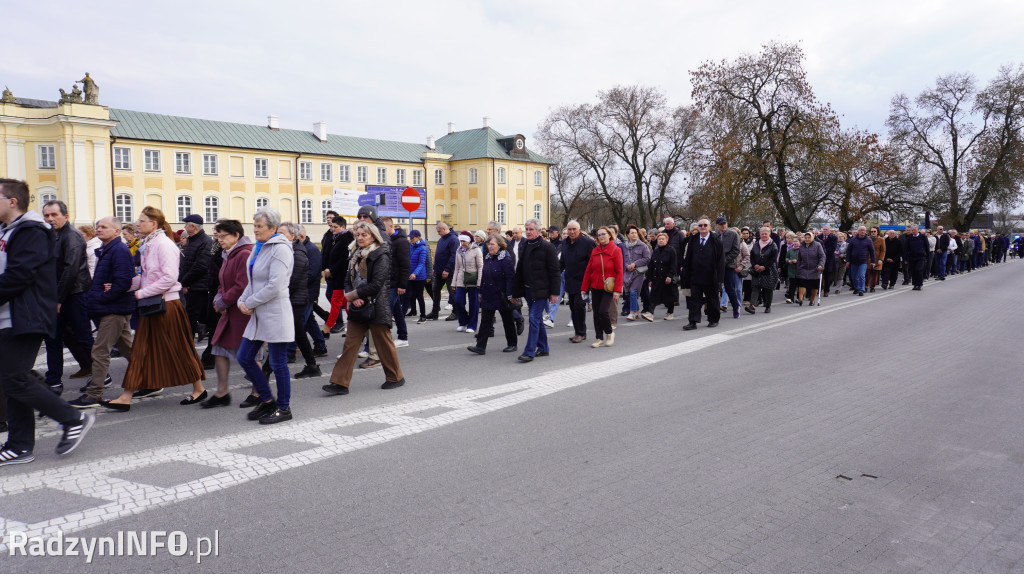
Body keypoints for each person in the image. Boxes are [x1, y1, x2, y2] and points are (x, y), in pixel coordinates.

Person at [0, 179, 95, 466]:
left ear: (12, 201)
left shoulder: (31, 231)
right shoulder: (8, 231)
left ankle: (73, 418)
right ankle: (19, 445)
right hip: (10, 316)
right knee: (12, 379)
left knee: (13, 378)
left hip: (24, 316)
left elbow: (19, 276)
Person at [100, 206, 207, 411]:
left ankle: (199, 389)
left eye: (141, 221)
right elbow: (146, 276)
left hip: (167, 305)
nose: (137, 224)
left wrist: (140, 294)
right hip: (154, 304)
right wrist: (123, 287)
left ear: (154, 224)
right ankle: (126, 396)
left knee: (180, 349)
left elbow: (169, 278)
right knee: (141, 350)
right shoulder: (149, 244)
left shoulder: (164, 244)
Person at [322, 221, 406, 395]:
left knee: (384, 345)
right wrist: (352, 295)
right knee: (349, 345)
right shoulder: (355, 254)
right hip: (358, 307)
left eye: (364, 235)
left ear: (373, 236)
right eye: (357, 234)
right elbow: (347, 280)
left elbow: (376, 284)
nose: (359, 238)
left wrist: (354, 296)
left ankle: (395, 377)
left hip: (376, 306)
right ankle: (340, 383)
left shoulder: (381, 254)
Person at [230, 208, 295, 424]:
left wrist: (249, 302)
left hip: (275, 313)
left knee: (278, 363)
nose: (255, 230)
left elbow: (275, 285)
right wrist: (241, 301)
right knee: (244, 357)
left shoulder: (281, 249)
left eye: (259, 226)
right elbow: (252, 280)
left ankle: (284, 408)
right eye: (254, 225)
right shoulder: (258, 248)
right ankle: (267, 401)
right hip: (259, 314)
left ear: (273, 228)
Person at [69, 217, 135, 408]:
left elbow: (123, 282)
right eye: (98, 226)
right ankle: (151, 380)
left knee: (100, 351)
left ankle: (93, 394)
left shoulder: (119, 250)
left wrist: (101, 297)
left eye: (104, 227)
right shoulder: (109, 248)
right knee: (128, 350)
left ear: (116, 231)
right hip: (112, 306)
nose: (99, 229)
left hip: (114, 308)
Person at [42, 200, 94, 393]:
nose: (50, 219)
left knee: (83, 337)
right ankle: (54, 380)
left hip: (74, 294)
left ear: (65, 215)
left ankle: (100, 375)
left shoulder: (71, 236)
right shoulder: (53, 234)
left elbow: (70, 270)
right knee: (53, 338)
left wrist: (58, 299)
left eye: (54, 215)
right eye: (46, 215)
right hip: (60, 294)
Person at [201, 219, 254, 408]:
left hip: (242, 311)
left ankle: (257, 393)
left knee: (250, 353)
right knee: (218, 348)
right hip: (228, 310)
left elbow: (242, 285)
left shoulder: (244, 253)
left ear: (236, 236)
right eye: (217, 235)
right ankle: (222, 393)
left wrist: (223, 301)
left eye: (223, 236)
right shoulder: (228, 253)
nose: (219, 239)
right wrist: (218, 297)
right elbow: (222, 282)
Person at [511, 219, 561, 362]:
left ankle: (529, 351)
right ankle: (544, 348)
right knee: (537, 319)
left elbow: (555, 271)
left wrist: (555, 293)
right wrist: (516, 292)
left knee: (533, 318)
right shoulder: (525, 244)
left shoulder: (547, 247)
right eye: (526, 229)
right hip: (528, 290)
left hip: (541, 290)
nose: (528, 231)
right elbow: (520, 270)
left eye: (531, 229)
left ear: (539, 231)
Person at [277, 222, 321, 379]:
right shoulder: (288, 250)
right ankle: (312, 365)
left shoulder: (297, 253)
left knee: (288, 331)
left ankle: (267, 369)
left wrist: (278, 295)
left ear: (293, 236)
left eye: (282, 233)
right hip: (292, 297)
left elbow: (293, 281)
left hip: (295, 299)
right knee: (298, 332)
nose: (278, 236)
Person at [466, 234, 517, 355]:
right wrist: (481, 293)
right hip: (488, 294)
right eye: (488, 244)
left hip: (502, 295)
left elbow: (511, 278)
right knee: (485, 321)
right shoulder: (487, 258)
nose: (490, 246)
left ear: (499, 245)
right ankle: (480, 346)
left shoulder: (506, 259)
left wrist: (510, 295)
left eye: (492, 244)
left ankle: (512, 344)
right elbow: (484, 277)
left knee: (508, 320)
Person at [581, 226, 623, 347]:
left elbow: (620, 271)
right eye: (599, 235)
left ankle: (609, 333)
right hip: (595, 285)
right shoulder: (595, 250)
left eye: (603, 234)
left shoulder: (616, 250)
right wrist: (584, 288)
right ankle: (599, 338)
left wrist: (617, 290)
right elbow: (588, 271)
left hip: (609, 286)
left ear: (609, 235)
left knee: (603, 311)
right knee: (596, 313)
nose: (601, 237)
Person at [681, 218, 725, 330]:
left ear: (710, 227)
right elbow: (688, 258)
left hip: (711, 277)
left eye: (705, 225)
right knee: (694, 300)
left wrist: (719, 279)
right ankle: (693, 321)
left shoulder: (716, 241)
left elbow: (721, 261)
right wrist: (686, 274)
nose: (703, 227)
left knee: (712, 299)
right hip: (695, 276)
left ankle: (713, 319)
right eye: (700, 225)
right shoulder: (693, 240)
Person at [179, 214, 214, 340]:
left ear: (193, 226)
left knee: (192, 318)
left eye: (186, 224)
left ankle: (189, 349)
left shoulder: (205, 241)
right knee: (194, 317)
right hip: (191, 285)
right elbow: (187, 264)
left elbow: (200, 266)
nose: (184, 227)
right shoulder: (193, 241)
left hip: (199, 287)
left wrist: (185, 282)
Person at [560, 220, 596, 342]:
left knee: (579, 306)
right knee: (573, 307)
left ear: (579, 230)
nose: (571, 232)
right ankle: (578, 331)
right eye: (569, 229)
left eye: (574, 229)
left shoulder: (588, 243)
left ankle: (581, 333)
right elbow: (562, 262)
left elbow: (594, 262)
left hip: (584, 281)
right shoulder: (564, 243)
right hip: (570, 280)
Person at [381, 217, 411, 347]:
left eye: (383, 228)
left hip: (396, 283)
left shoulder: (402, 242)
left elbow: (405, 265)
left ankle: (384, 340)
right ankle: (403, 337)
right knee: (397, 310)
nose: (381, 230)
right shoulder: (389, 241)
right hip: (389, 281)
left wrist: (402, 285)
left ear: (390, 226)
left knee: (385, 311)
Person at [322, 216, 352, 335]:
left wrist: (332, 270)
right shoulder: (335, 238)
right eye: (332, 227)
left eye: (335, 227)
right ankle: (356, 324)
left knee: (335, 301)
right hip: (335, 275)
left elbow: (343, 260)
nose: (332, 229)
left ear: (343, 227)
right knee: (344, 301)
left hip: (341, 275)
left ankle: (328, 328)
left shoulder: (346, 239)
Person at [425, 221, 459, 321]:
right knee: (435, 290)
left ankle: (456, 312)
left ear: (444, 229)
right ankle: (435, 312)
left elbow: (454, 256)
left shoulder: (453, 239)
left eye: (439, 231)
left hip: (449, 272)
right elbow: (438, 255)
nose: (438, 233)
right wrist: (435, 268)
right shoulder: (441, 239)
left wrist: (447, 269)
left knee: (452, 292)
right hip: (439, 271)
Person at [453, 232, 483, 334]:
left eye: (464, 241)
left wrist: (479, 281)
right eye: (461, 241)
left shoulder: (476, 250)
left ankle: (472, 325)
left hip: (473, 280)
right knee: (458, 301)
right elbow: (457, 267)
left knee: (474, 304)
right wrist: (454, 283)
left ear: (469, 241)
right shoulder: (458, 251)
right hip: (461, 279)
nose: (462, 243)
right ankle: (463, 321)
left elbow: (480, 267)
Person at [745, 227, 779, 314]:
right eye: (762, 234)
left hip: (769, 270)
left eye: (765, 234)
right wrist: (754, 265)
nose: (764, 235)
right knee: (755, 287)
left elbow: (773, 259)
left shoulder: (773, 245)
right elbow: (752, 256)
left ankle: (768, 306)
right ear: (760, 235)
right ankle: (752, 306)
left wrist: (764, 266)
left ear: (769, 234)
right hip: (757, 269)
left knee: (768, 289)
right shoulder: (756, 244)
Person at [645, 232, 678, 320]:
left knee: (669, 297)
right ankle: (650, 313)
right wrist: (650, 279)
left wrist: (670, 276)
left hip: (666, 278)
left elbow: (673, 265)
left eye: (663, 239)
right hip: (656, 278)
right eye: (659, 239)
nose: (661, 240)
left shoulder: (671, 250)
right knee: (653, 297)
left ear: (667, 240)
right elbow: (651, 266)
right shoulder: (655, 251)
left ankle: (670, 313)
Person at [622, 225, 651, 321]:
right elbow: (621, 258)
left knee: (633, 291)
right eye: (632, 233)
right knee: (629, 292)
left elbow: (647, 258)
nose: (634, 234)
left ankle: (632, 313)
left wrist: (635, 264)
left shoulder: (643, 245)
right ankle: (637, 312)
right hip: (627, 272)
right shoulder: (623, 246)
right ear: (627, 235)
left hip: (638, 272)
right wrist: (626, 266)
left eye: (635, 233)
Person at [795, 231, 826, 305]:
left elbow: (822, 256)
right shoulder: (802, 246)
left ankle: (812, 300)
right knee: (802, 283)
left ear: (812, 238)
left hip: (815, 268)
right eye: (806, 238)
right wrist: (798, 267)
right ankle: (800, 299)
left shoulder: (817, 245)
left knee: (814, 285)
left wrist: (821, 265)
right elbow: (799, 258)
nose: (807, 239)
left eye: (809, 238)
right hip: (804, 268)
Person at [845, 226, 876, 295]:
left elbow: (872, 251)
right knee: (854, 277)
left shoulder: (868, 240)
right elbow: (849, 251)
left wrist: (873, 261)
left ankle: (861, 289)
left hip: (863, 261)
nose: (862, 232)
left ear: (865, 232)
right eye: (861, 230)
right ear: (858, 231)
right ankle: (856, 288)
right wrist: (848, 261)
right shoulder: (853, 240)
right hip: (854, 261)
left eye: (864, 230)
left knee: (861, 275)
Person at [406, 230, 428, 320]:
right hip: (409, 275)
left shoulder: (422, 248)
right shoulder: (410, 246)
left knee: (419, 296)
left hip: (419, 276)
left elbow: (421, 263)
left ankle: (423, 315)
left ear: (418, 237)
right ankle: (413, 311)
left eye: (412, 237)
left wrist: (415, 273)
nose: (411, 239)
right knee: (409, 295)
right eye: (410, 237)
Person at [903, 225, 929, 290]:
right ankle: (915, 284)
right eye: (912, 230)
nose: (913, 231)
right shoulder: (909, 238)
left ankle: (920, 284)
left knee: (918, 270)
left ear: (918, 230)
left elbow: (927, 247)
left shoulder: (923, 237)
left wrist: (927, 257)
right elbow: (906, 248)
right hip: (912, 257)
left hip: (921, 257)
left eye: (915, 230)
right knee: (913, 271)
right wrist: (905, 258)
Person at [865, 227, 886, 292]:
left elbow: (883, 250)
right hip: (868, 258)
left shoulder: (881, 239)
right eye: (872, 231)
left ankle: (872, 286)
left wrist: (881, 259)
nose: (873, 233)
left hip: (877, 258)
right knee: (867, 273)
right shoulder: (867, 239)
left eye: (874, 231)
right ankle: (865, 286)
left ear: (877, 232)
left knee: (875, 273)